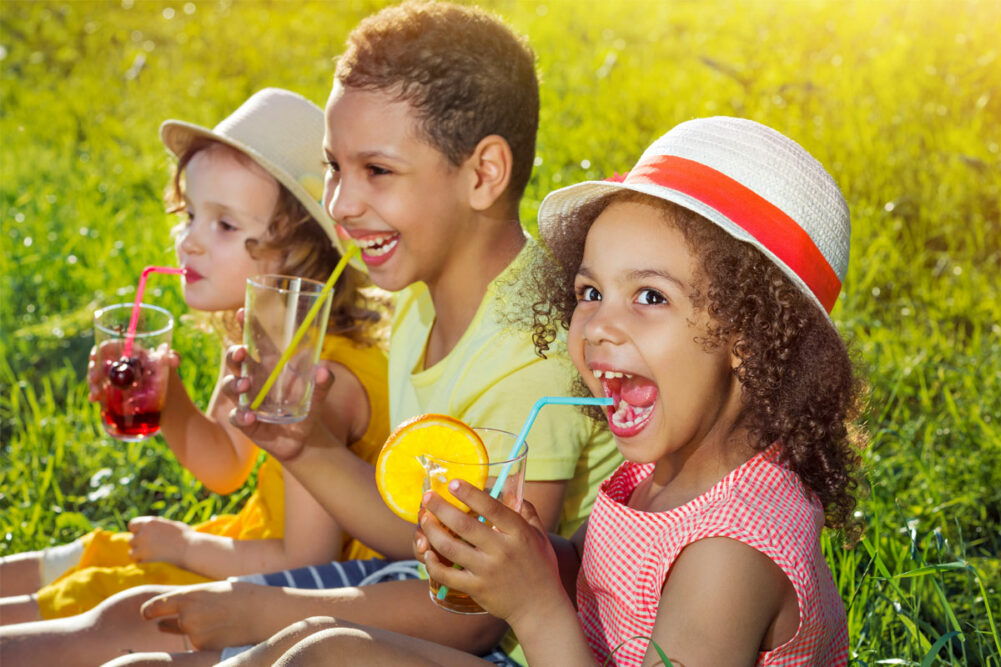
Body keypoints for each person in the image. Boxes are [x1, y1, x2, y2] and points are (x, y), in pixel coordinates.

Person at [0, 3, 619, 665]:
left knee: (155, 645)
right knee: (137, 628)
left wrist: (265, 606)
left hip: (506, 643)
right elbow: (417, 533)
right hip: (421, 587)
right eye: (332, 166)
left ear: (482, 174)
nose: (341, 203)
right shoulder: (421, 301)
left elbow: (477, 613)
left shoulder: (532, 352)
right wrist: (306, 448)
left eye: (376, 170)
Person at [240, 116, 867, 665]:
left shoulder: (730, 552)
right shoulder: (673, 466)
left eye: (650, 296)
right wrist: (540, 556)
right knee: (323, 648)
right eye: (590, 292)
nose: (598, 326)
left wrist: (535, 605)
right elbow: (608, 578)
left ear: (753, 336)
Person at [0, 88, 390, 626]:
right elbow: (226, 465)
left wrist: (184, 547)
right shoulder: (269, 340)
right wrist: (169, 400)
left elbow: (306, 562)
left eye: (225, 225)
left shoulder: (319, 382)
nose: (189, 242)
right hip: (255, 550)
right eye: (190, 216)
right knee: (95, 554)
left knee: (103, 592)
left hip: (300, 595)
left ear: (301, 250)